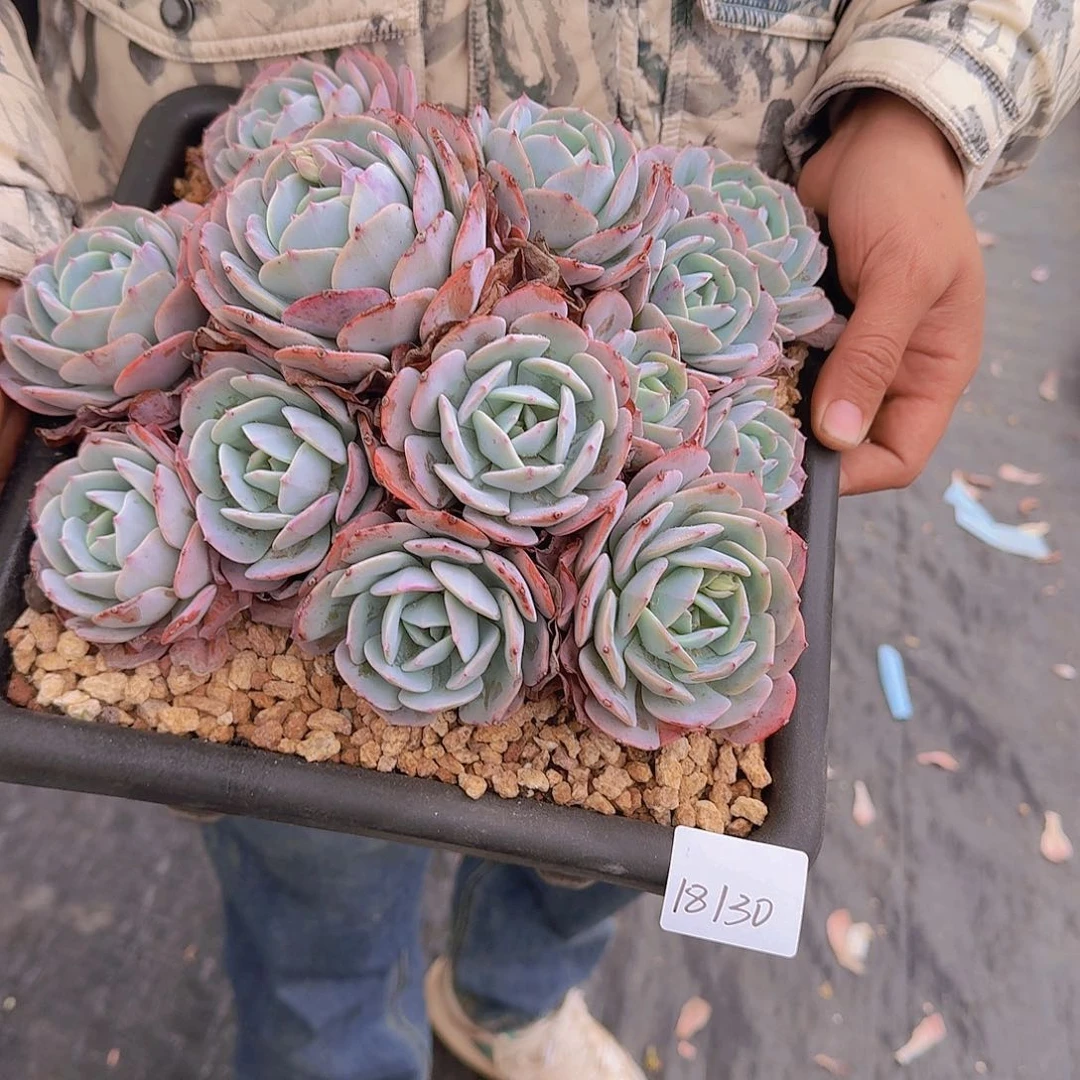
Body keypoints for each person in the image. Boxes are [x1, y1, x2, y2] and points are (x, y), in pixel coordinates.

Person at [1, 2, 1077, 1078]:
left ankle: (505, 1007)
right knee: (304, 882)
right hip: (217, 114)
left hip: (730, 134)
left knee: (581, 877)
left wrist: (926, 99)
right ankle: (332, 1046)